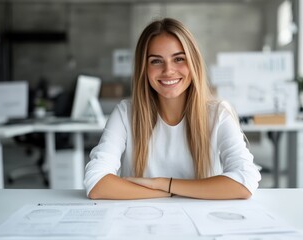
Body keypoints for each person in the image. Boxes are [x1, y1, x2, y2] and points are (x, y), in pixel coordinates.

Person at [84, 18, 261, 200]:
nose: (168, 70)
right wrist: (168, 193)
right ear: (144, 68)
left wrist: (163, 183)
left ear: (194, 63)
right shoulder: (126, 113)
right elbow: (97, 183)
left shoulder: (218, 114)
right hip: (139, 221)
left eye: (178, 59)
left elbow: (245, 181)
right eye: (156, 61)